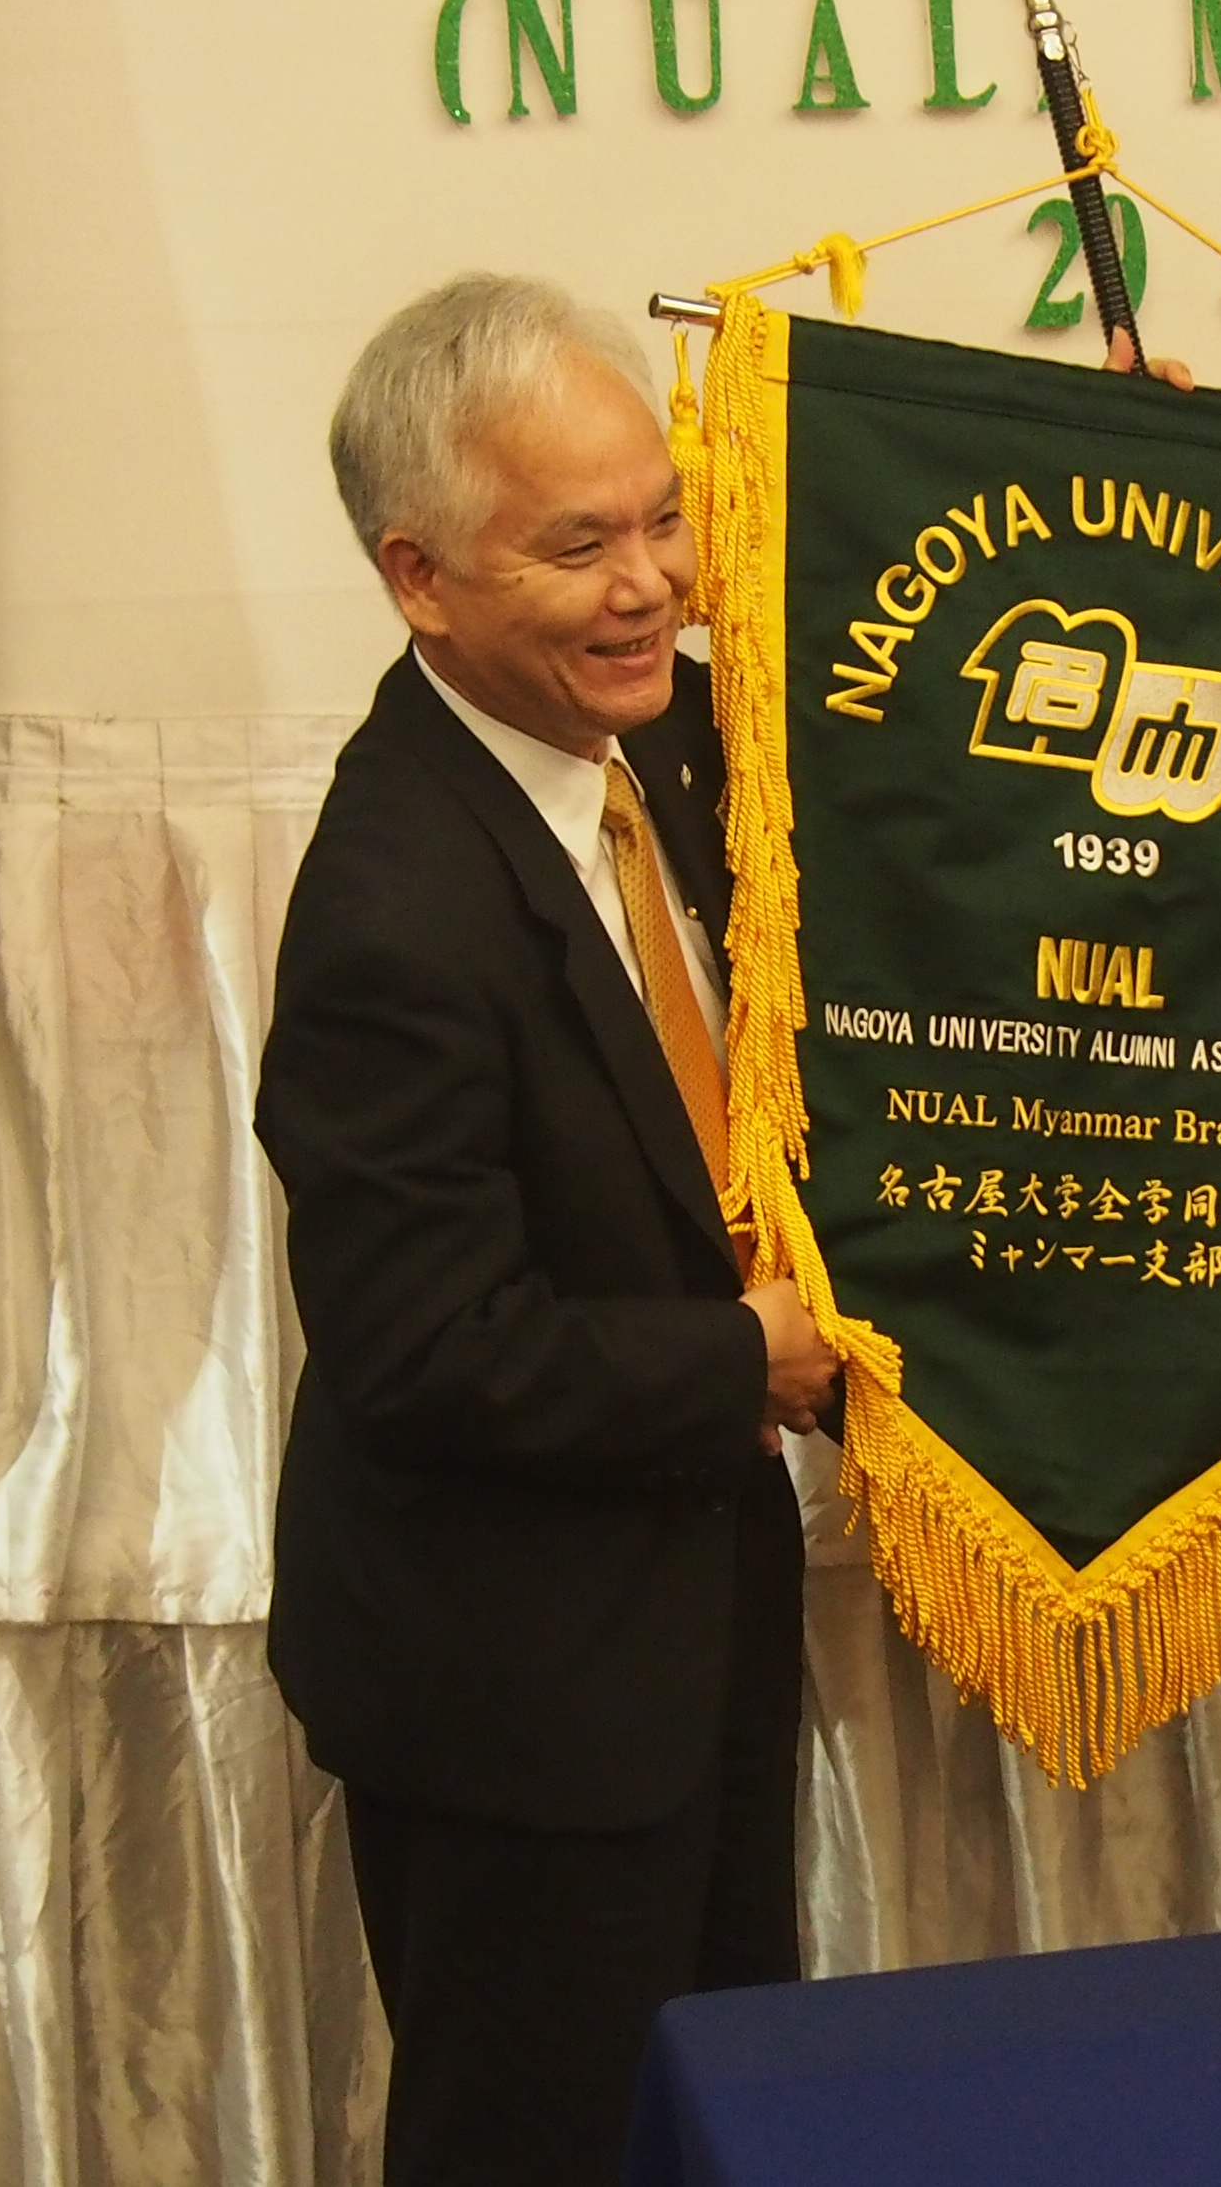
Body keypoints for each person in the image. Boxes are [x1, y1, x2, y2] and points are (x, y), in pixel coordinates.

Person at [259, 275, 837, 2187]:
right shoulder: (391, 906)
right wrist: (752, 1353)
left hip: (700, 1629)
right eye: (578, 544)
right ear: (420, 579)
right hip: (516, 1698)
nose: (654, 584)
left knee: (721, 2127)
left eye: (663, 519)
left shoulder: (645, 737)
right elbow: (432, 1354)